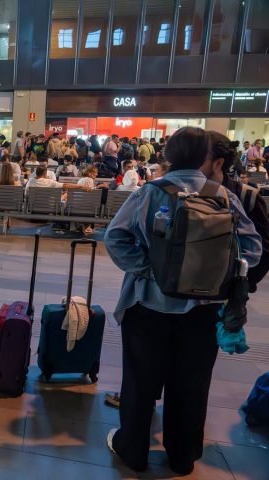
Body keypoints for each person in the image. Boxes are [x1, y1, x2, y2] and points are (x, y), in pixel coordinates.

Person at [104, 127, 261, 476]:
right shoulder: (221, 195)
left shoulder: (151, 192)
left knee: (140, 382)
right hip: (203, 312)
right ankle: (183, 456)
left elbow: (115, 237)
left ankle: (133, 451)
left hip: (149, 306)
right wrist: (218, 277)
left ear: (168, 155)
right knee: (191, 384)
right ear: (205, 155)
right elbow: (252, 248)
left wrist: (149, 270)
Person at [204, 131, 269, 294]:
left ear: (218, 163)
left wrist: (243, 283)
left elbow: (264, 247)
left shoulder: (246, 196)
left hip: (225, 290)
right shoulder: (185, 190)